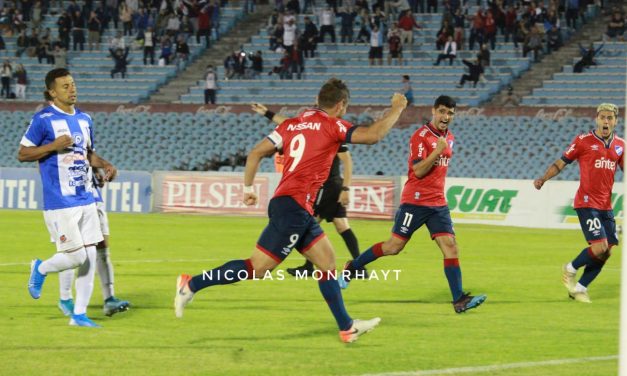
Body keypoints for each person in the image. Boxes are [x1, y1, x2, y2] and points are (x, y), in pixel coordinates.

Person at [174, 79, 408, 343]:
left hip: (295, 206)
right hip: (293, 207)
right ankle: (191, 284)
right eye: (345, 106)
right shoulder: (331, 125)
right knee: (257, 268)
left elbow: (255, 153)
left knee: (327, 263)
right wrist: (397, 108)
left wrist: (248, 187)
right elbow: (373, 135)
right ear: (341, 105)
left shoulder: (291, 124)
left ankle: (347, 327)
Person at [338, 95, 487, 314]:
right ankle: (353, 267)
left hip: (438, 203)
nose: (446, 117)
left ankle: (459, 300)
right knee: (393, 247)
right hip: (415, 201)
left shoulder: (450, 138)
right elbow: (418, 170)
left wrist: (440, 149)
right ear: (434, 111)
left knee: (451, 246)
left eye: (451, 113)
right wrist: (437, 151)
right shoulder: (421, 136)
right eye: (443, 111)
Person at [18, 68, 118, 327]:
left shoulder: (84, 119)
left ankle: (79, 315)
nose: (71, 89)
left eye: (72, 85)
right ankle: (40, 268)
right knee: (76, 257)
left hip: (85, 197)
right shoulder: (43, 119)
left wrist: (105, 164)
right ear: (52, 92)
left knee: (90, 257)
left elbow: (87, 153)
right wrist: (52, 146)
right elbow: (23, 153)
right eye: (65, 86)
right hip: (59, 201)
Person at [250, 103, 363, 278]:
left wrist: (346, 188)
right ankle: (356, 266)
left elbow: (347, 161)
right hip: (325, 186)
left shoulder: (332, 129)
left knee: (311, 223)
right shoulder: (315, 129)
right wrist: (266, 113)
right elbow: (288, 123)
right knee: (340, 225)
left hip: (326, 187)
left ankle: (315, 266)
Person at [534, 103, 623, 303]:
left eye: (610, 117)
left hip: (606, 206)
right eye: (602, 117)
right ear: (596, 119)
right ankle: (570, 268)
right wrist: (544, 178)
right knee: (600, 247)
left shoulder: (621, 145)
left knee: (607, 251)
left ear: (616, 120)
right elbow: (561, 162)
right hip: (586, 202)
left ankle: (580, 289)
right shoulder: (583, 141)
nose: (606, 121)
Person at [58, 168, 131, 317]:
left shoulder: (86, 146)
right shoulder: (58, 148)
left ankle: (109, 299)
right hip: (72, 199)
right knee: (73, 248)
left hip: (93, 197)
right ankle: (65, 298)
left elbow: (88, 154)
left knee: (102, 246)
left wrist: (97, 170)